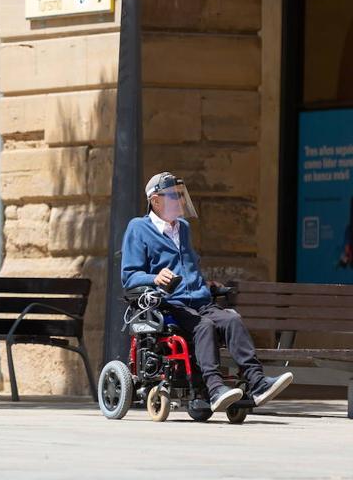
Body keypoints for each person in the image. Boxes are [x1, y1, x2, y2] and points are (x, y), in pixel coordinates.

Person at [121, 172, 294, 412]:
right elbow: (129, 276)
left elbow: (189, 266)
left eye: (181, 196)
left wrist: (204, 283)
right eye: (174, 196)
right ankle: (214, 388)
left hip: (199, 301)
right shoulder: (138, 228)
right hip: (170, 304)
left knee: (232, 319)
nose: (180, 202)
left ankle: (257, 382)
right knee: (204, 326)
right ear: (156, 201)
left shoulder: (183, 228)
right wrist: (155, 277)